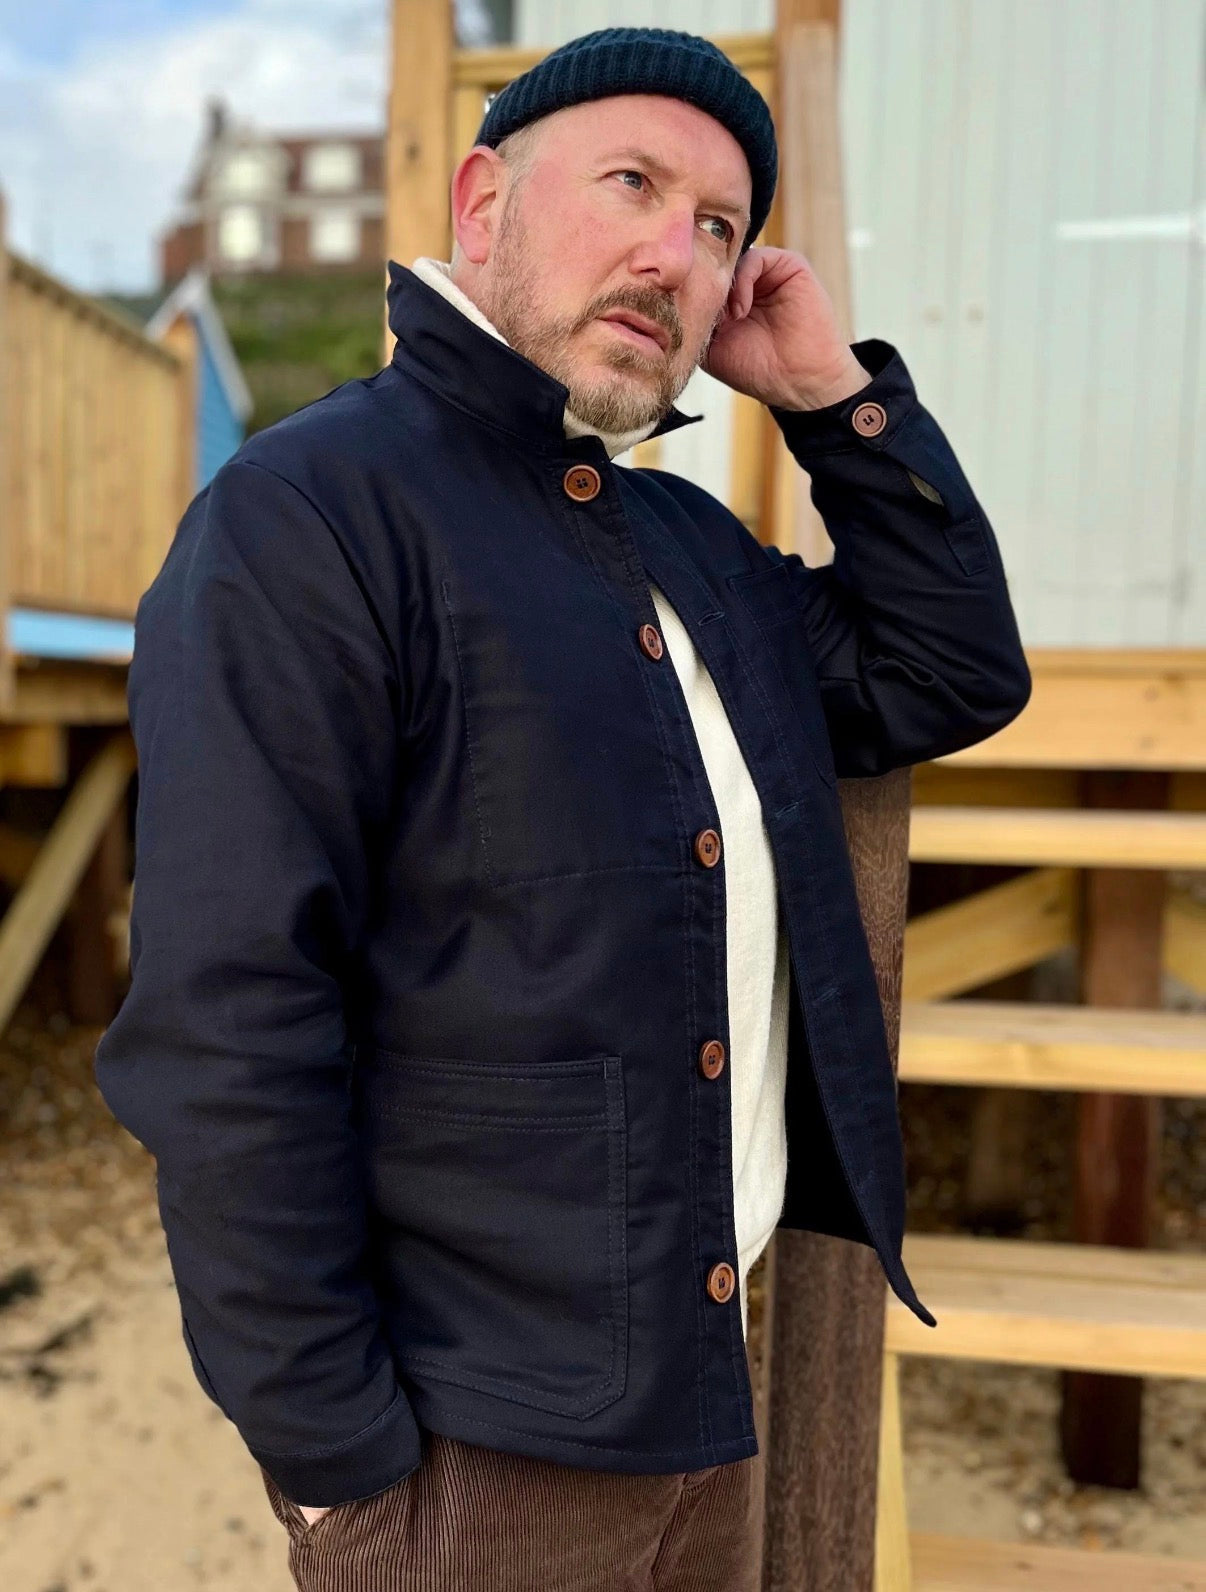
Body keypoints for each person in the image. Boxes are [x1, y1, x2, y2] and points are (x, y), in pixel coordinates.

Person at [93, 25, 1031, 1592]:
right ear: (482, 205)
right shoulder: (308, 516)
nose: (674, 255)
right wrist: (330, 1462)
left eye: (718, 227)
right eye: (631, 184)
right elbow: (226, 1022)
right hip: (470, 1453)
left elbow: (948, 668)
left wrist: (827, 399)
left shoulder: (689, 547)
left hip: (710, 1386)